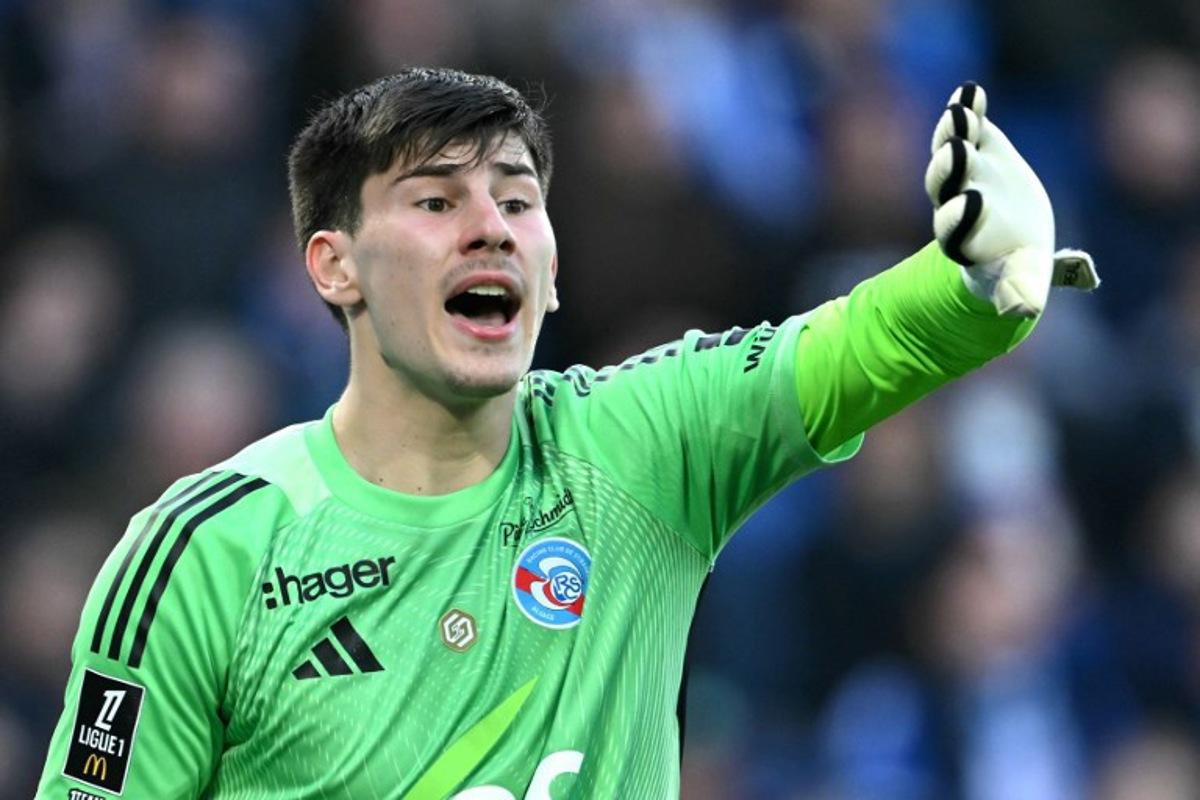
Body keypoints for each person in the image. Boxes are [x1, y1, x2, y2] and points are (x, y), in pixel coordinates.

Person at [37, 67, 1097, 799]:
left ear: (551, 270)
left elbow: (855, 346)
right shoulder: (199, 552)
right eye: (435, 200)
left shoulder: (638, 446)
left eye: (516, 197)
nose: (490, 223)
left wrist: (982, 278)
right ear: (334, 265)